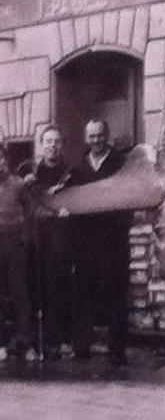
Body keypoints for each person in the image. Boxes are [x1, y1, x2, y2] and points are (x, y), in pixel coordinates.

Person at [68, 119, 132, 366]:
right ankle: (81, 346)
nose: (97, 140)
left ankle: (116, 348)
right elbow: (68, 200)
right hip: (85, 244)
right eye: (92, 136)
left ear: (108, 135)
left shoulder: (120, 165)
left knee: (115, 294)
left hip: (113, 243)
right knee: (83, 294)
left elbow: (129, 198)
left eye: (101, 135)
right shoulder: (78, 169)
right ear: (87, 139)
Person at [24, 126, 73, 360]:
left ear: (61, 145)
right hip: (36, 238)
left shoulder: (70, 173)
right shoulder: (31, 173)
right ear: (41, 145)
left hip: (61, 239)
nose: (52, 146)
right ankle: (36, 342)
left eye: (56, 141)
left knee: (59, 289)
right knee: (36, 289)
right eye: (47, 141)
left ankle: (59, 340)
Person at [0, 144, 36, 361]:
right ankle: (1, 344)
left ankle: (26, 343)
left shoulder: (18, 184)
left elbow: (30, 212)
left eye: (1, 158)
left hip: (15, 244)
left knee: (20, 293)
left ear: (6, 160)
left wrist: (25, 238)